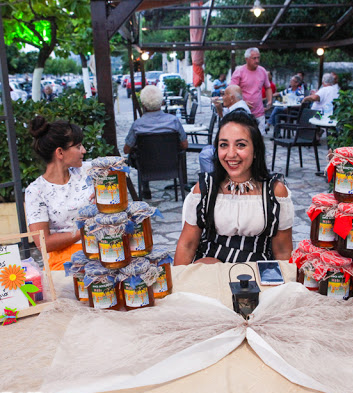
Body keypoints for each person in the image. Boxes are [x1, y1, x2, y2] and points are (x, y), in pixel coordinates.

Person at [174, 110, 294, 264]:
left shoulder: (274, 191)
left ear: (256, 150)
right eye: (224, 145)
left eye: (241, 145)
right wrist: (177, 283)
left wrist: (285, 285)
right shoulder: (206, 187)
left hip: (257, 273)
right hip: (210, 269)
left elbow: (283, 250)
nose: (230, 154)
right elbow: (188, 245)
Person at [25, 116, 91, 271]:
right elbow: (44, 243)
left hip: (101, 252)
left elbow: (116, 170)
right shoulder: (36, 191)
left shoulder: (89, 172)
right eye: (78, 146)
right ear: (60, 152)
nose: (84, 151)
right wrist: (84, 230)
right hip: (65, 264)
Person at [124, 85, 188, 198]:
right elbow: (185, 145)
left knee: (137, 155)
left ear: (143, 104)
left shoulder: (137, 125)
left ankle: (146, 187)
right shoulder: (173, 121)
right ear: (162, 102)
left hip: (146, 166)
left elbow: (126, 149)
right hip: (171, 165)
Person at [203, 85, 251, 173]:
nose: (222, 98)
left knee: (204, 155)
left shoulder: (239, 111)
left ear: (231, 98)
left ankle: (213, 182)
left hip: (235, 148)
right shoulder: (236, 108)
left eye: (224, 95)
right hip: (234, 145)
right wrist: (218, 107)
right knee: (206, 149)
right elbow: (224, 116)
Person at [230, 47, 272, 134]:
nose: (257, 60)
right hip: (243, 113)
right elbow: (231, 91)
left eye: (258, 57)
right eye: (254, 58)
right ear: (247, 59)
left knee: (260, 138)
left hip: (259, 113)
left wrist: (270, 101)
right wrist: (242, 102)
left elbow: (268, 87)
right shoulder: (239, 72)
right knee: (244, 139)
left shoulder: (262, 71)